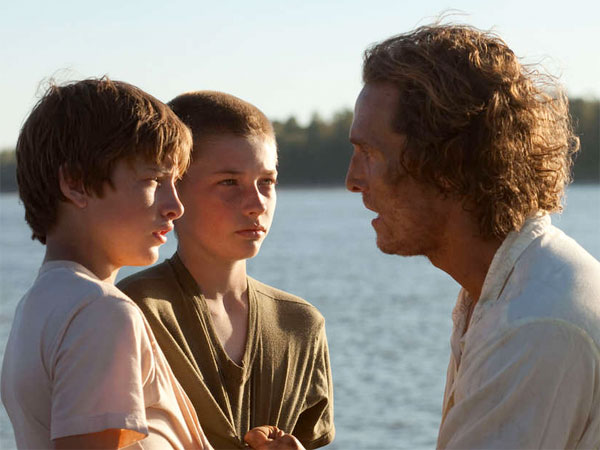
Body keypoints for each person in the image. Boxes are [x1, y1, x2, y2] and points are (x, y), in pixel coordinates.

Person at [345, 24, 600, 449]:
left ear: (446, 164)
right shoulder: (511, 288)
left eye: (369, 153)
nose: (352, 180)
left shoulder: (532, 323)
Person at [1, 78, 213, 449]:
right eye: (153, 180)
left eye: (176, 181)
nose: (176, 206)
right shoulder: (101, 312)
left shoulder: (38, 306)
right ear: (76, 184)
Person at [117, 91, 335, 450]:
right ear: (175, 188)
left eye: (267, 182)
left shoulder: (301, 325)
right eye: (229, 182)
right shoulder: (134, 311)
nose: (256, 204)